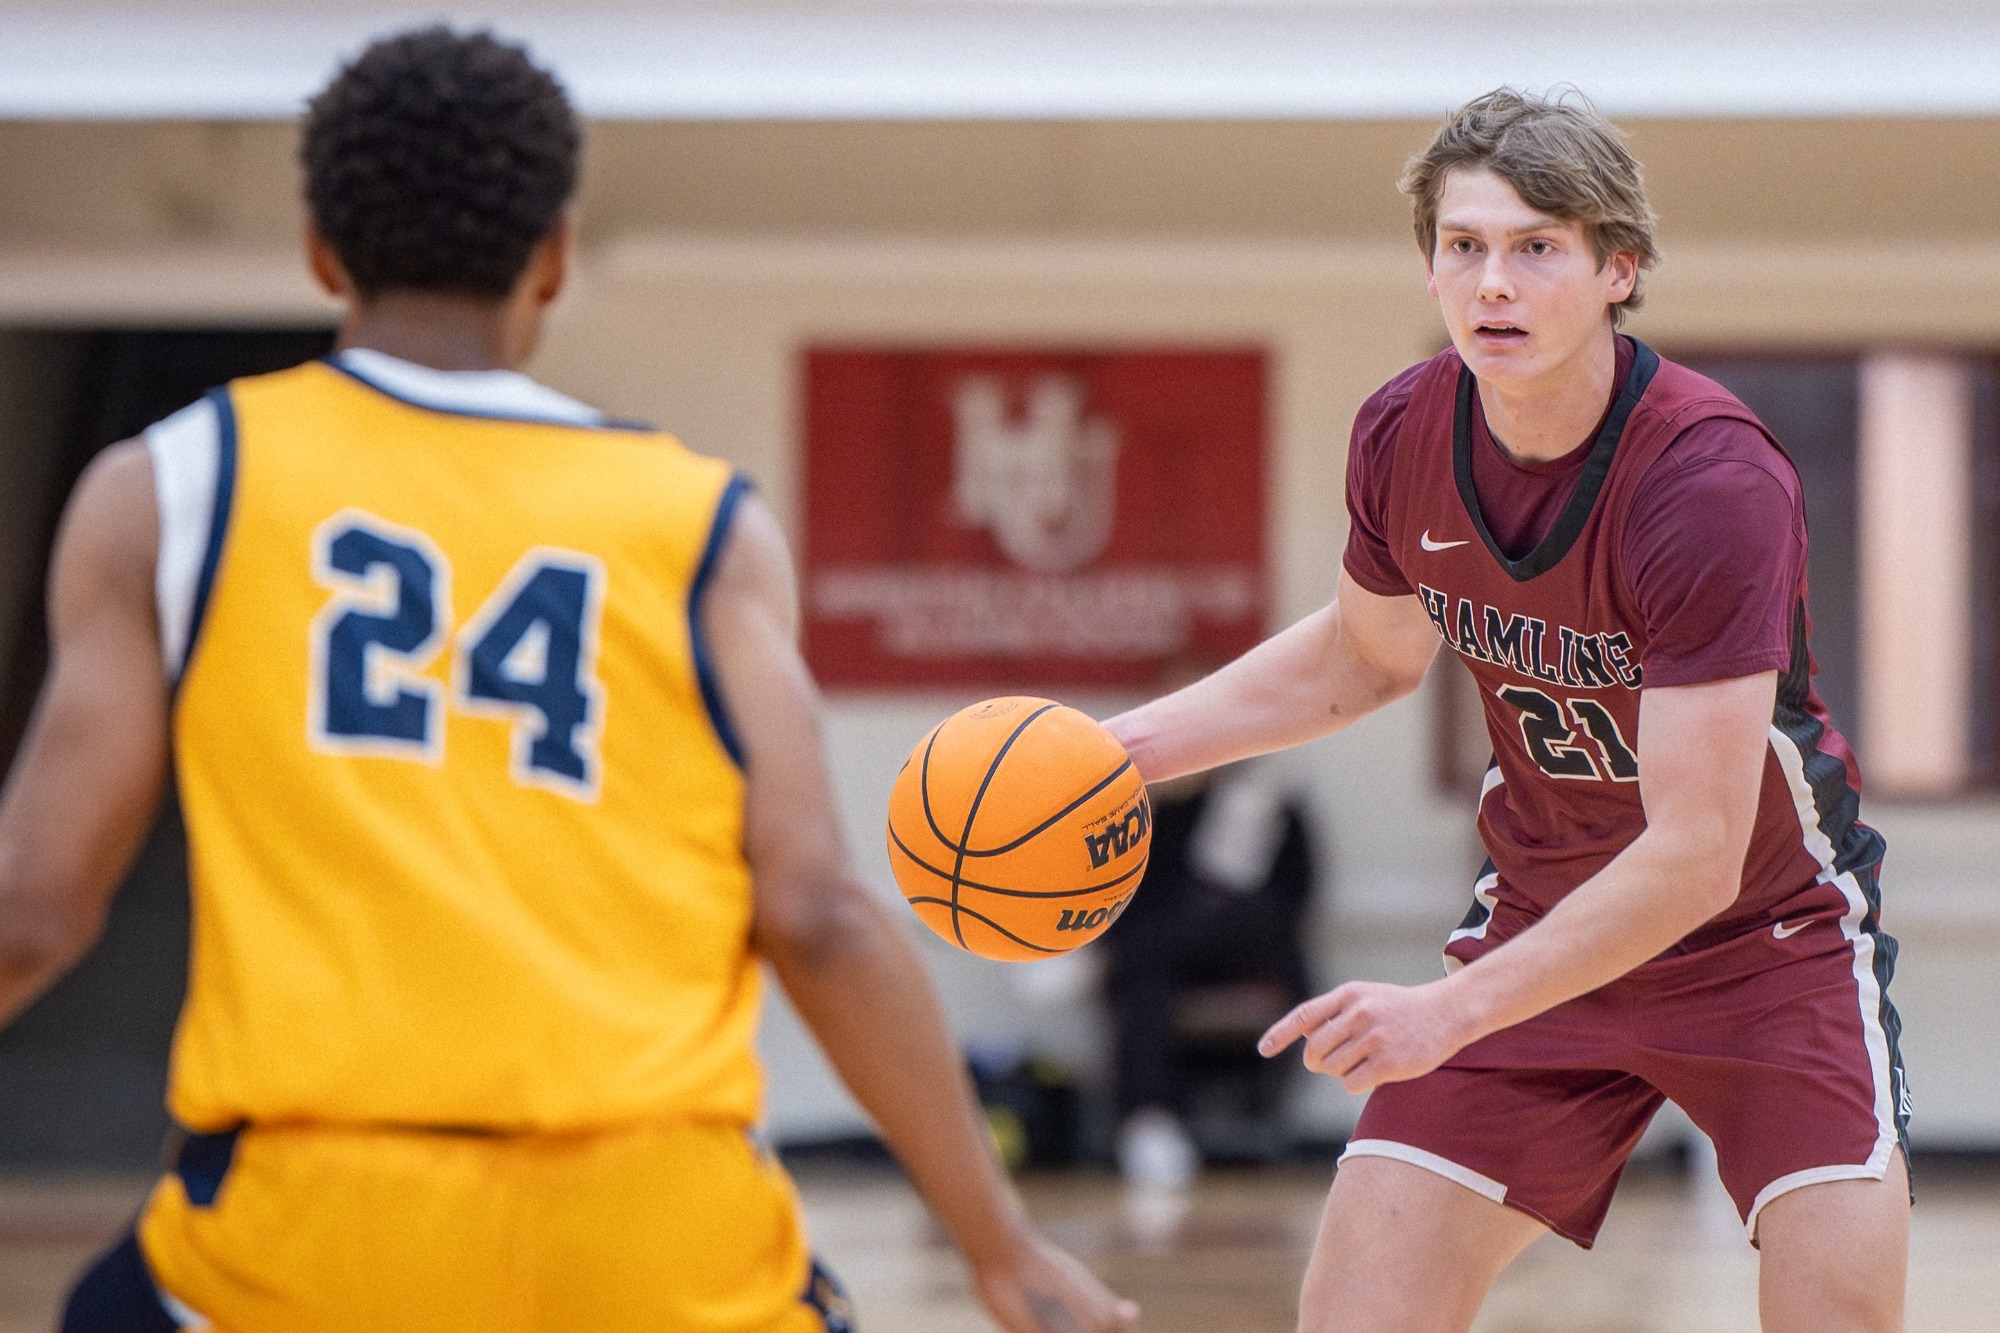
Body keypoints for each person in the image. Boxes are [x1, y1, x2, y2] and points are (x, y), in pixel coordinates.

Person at [0, 28, 1137, 1333]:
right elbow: (817, 911)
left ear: (320, 246)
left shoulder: (169, 488)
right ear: (555, 251)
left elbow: (34, 907)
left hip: (324, 1230)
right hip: (656, 1227)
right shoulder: (700, 522)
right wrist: (999, 1243)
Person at [1105, 88, 1909, 1331]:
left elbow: (1693, 854)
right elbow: (1360, 661)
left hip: (1761, 939)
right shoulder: (1401, 432)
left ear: (1616, 269)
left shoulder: (1707, 479)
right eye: (1464, 246)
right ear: (1428, 268)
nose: (1495, 282)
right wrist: (1120, 752)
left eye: (1536, 247)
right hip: (1545, 917)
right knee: (1359, 1310)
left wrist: (1442, 1011)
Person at [1105, 758, 1316, 1190]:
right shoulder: (1163, 809)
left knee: (1147, 950)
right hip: (1175, 957)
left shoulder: (1276, 803)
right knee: (1144, 971)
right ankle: (1150, 1120)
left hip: (1254, 946)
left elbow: (1296, 896)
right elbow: (1143, 897)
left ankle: (1151, 1119)